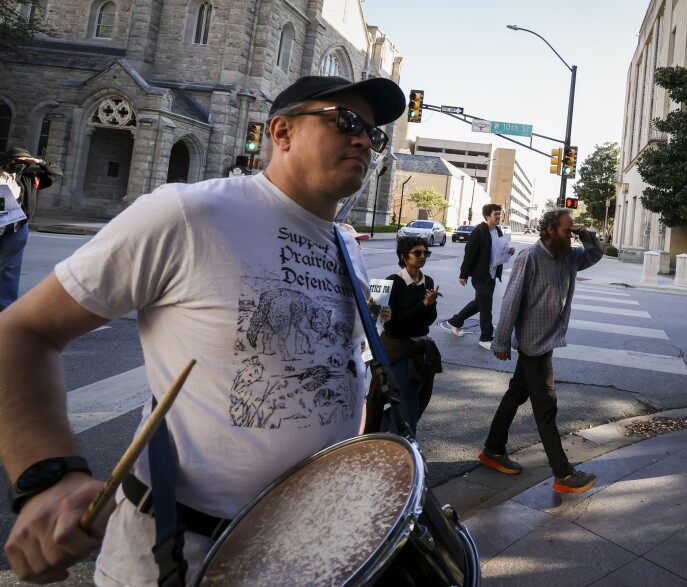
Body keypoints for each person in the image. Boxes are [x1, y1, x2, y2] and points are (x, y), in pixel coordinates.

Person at [0, 75, 406, 585]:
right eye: (346, 122)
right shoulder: (189, 213)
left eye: (375, 133)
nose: (365, 140)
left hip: (308, 559)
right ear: (281, 132)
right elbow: (23, 332)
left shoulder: (345, 246)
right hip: (177, 557)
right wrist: (48, 478)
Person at [478, 209, 604, 494]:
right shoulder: (530, 258)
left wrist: (585, 234)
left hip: (547, 339)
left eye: (572, 231)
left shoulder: (569, 256)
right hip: (533, 343)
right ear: (548, 229)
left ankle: (492, 450)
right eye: (566, 230)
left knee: (516, 393)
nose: (570, 235)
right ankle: (563, 473)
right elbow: (511, 302)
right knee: (546, 406)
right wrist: (500, 342)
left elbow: (595, 255)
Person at [370, 236, 442, 436]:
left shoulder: (427, 281)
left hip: (420, 349)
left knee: (415, 402)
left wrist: (431, 304)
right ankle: (405, 449)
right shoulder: (393, 282)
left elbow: (428, 320)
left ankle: (386, 436)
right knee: (407, 403)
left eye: (425, 253)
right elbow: (393, 324)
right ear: (404, 256)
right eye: (417, 253)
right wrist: (423, 305)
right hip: (397, 349)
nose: (422, 257)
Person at [0, 148, 63, 310]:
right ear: (7, 160)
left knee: (11, 267)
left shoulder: (29, 177)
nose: (21, 165)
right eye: (17, 161)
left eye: (24, 163)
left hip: (16, 225)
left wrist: (39, 162)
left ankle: (5, 308)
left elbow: (56, 174)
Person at [447, 203, 515, 350]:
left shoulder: (498, 231)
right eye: (496, 214)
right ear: (487, 216)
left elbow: (499, 250)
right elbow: (469, 253)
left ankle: (455, 321)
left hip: (491, 275)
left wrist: (508, 251)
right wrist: (463, 274)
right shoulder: (479, 231)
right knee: (486, 308)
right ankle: (486, 337)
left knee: (480, 303)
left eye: (499, 213)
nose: (499, 216)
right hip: (480, 275)